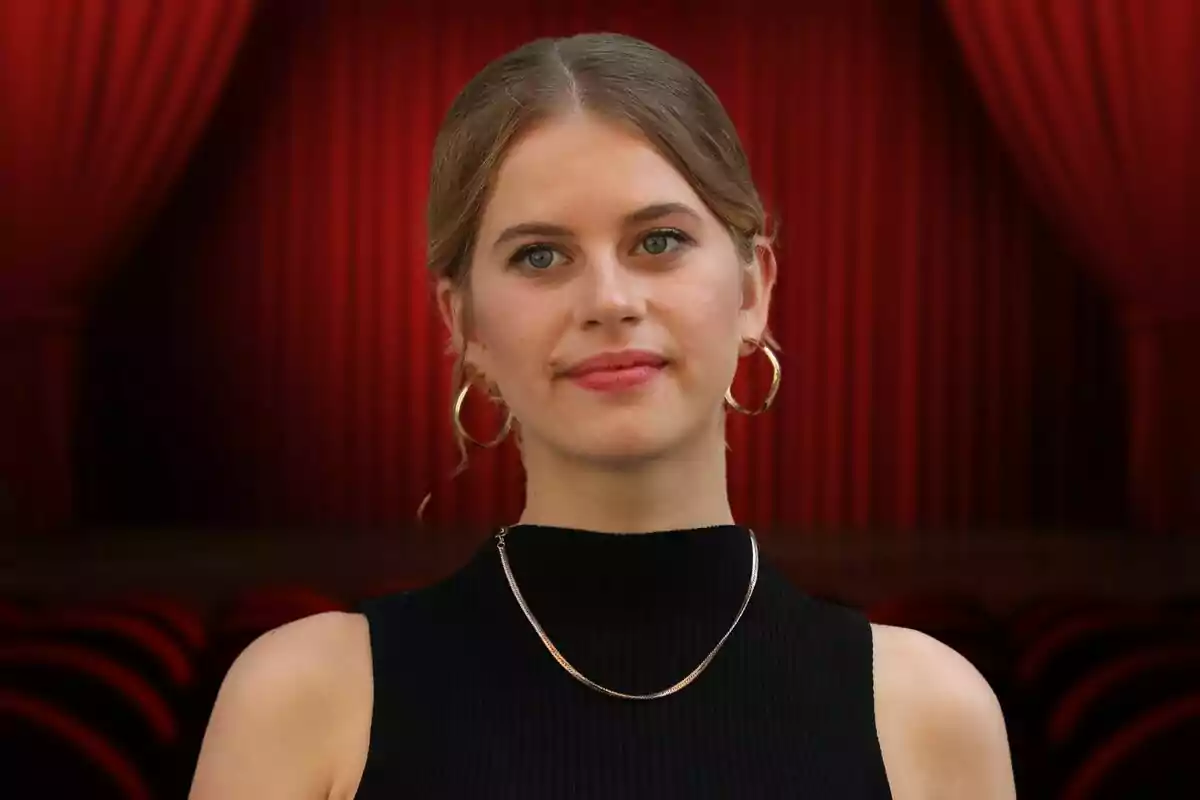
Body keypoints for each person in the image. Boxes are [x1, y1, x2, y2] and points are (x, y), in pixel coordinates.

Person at [189, 32, 1016, 799]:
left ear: (755, 288)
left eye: (657, 241)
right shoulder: (303, 701)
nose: (609, 301)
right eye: (539, 255)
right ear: (465, 325)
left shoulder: (930, 717)